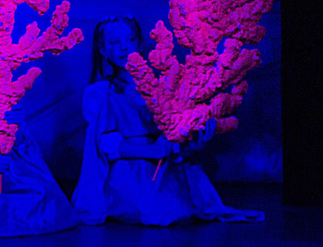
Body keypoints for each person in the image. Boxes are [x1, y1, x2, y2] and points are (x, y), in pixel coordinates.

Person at [73, 15, 263, 226]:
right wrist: (152, 150)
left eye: (130, 40)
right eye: (114, 42)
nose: (124, 48)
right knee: (157, 209)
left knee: (185, 203)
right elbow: (106, 144)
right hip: (132, 167)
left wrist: (191, 140)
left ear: (139, 43)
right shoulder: (100, 92)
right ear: (103, 49)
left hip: (168, 162)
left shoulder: (164, 86)